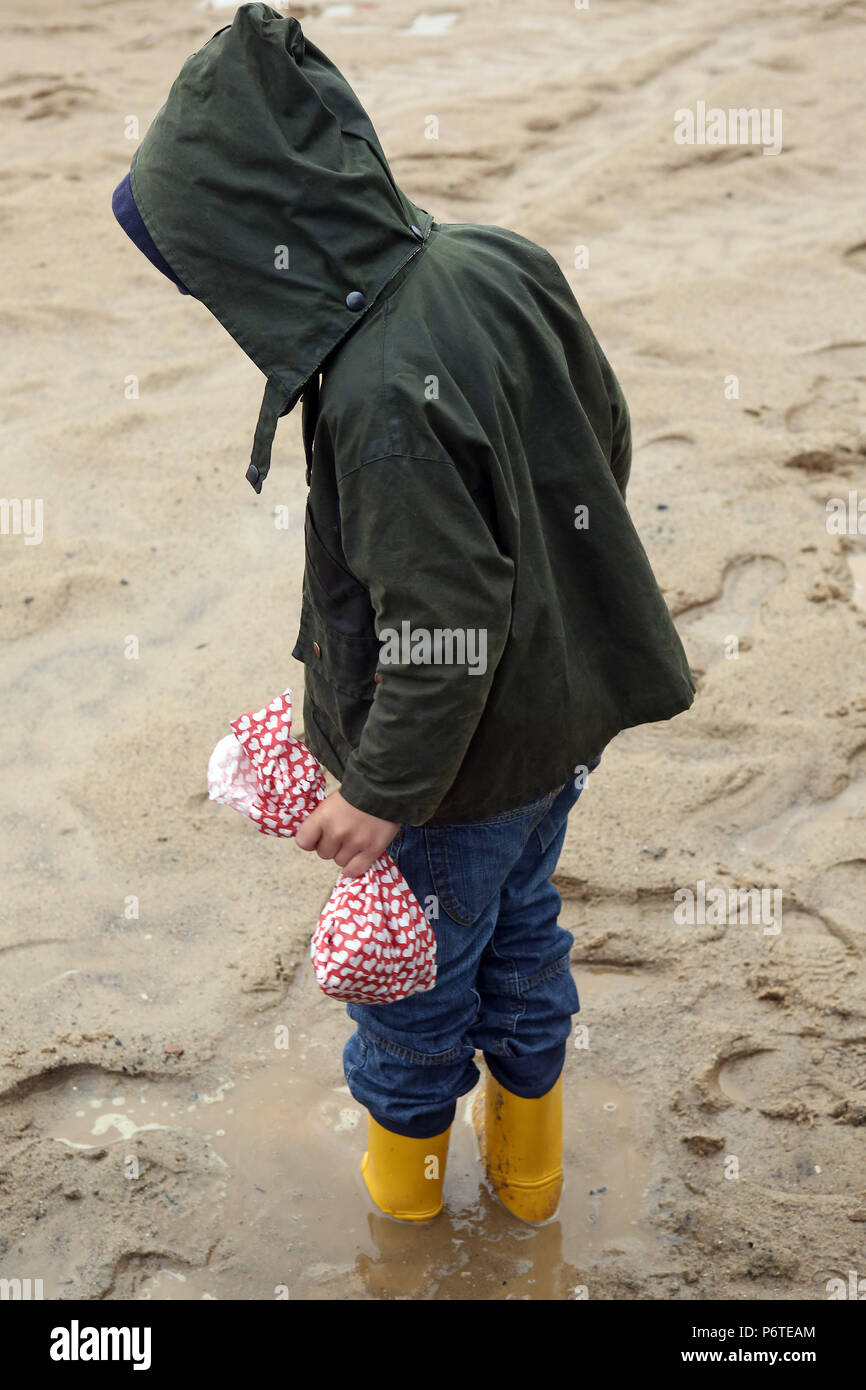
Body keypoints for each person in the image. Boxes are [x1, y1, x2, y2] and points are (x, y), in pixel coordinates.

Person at [113, 4, 695, 1225]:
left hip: (451, 782)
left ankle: (410, 1238)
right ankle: (531, 1197)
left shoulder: (378, 396)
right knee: (522, 933)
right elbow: (602, 439)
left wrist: (379, 792)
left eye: (208, 274)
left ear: (263, 248)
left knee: (409, 995)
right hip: (556, 723)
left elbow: (440, 627)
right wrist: (555, 598)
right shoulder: (490, 256)